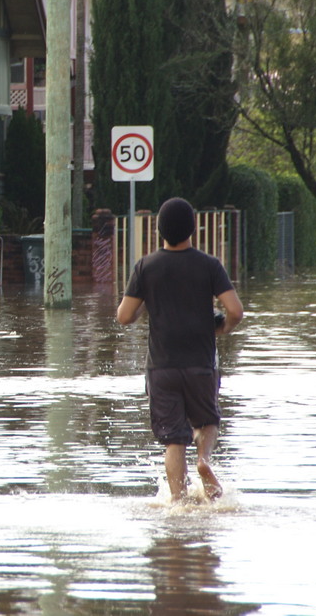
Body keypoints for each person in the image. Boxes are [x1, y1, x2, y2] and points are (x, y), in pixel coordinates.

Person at [116, 197, 244, 501]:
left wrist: (145, 305)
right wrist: (223, 327)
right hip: (200, 364)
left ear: (159, 229)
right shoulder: (210, 265)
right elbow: (235, 311)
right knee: (208, 421)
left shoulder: (146, 267)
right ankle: (203, 460)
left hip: (161, 368)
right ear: (192, 229)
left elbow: (123, 316)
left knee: (174, 441)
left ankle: (177, 504)